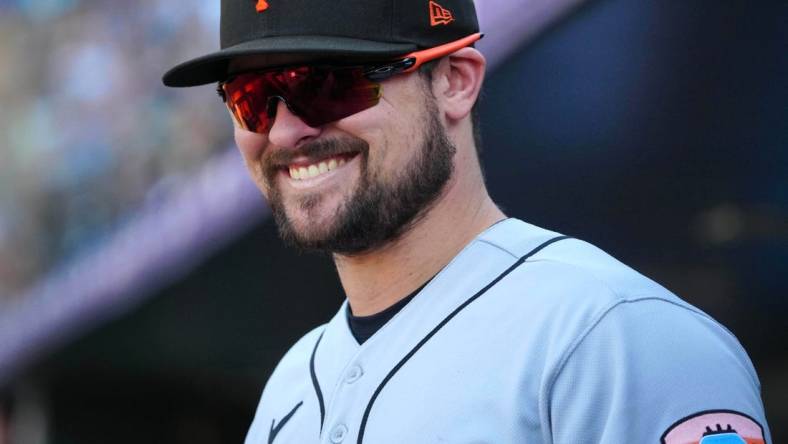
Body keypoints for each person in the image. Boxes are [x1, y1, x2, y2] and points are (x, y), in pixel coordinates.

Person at [162, 0, 771, 443]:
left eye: (325, 83)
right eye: (251, 96)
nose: (287, 128)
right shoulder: (287, 391)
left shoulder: (615, 338)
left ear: (454, 82)